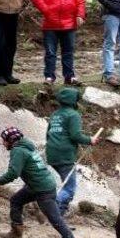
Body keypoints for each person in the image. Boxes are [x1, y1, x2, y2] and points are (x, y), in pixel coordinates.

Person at [0, 127, 84, 238]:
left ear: (10, 141)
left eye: (4, 140)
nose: (3, 143)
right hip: (37, 186)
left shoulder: (18, 151)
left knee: (55, 220)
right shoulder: (26, 147)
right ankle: (16, 233)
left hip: (42, 189)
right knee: (16, 200)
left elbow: (13, 172)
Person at [31, 0, 86, 86]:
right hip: (51, 23)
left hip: (69, 22)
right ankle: (49, 77)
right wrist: (46, 10)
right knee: (50, 52)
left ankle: (69, 76)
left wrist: (80, 14)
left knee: (68, 52)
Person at [46, 87, 99, 217]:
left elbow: (48, 134)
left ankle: (59, 217)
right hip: (65, 155)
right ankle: (53, 212)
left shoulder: (55, 114)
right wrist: (90, 140)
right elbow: (75, 135)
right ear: (73, 101)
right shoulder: (73, 115)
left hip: (52, 153)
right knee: (69, 189)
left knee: (66, 186)